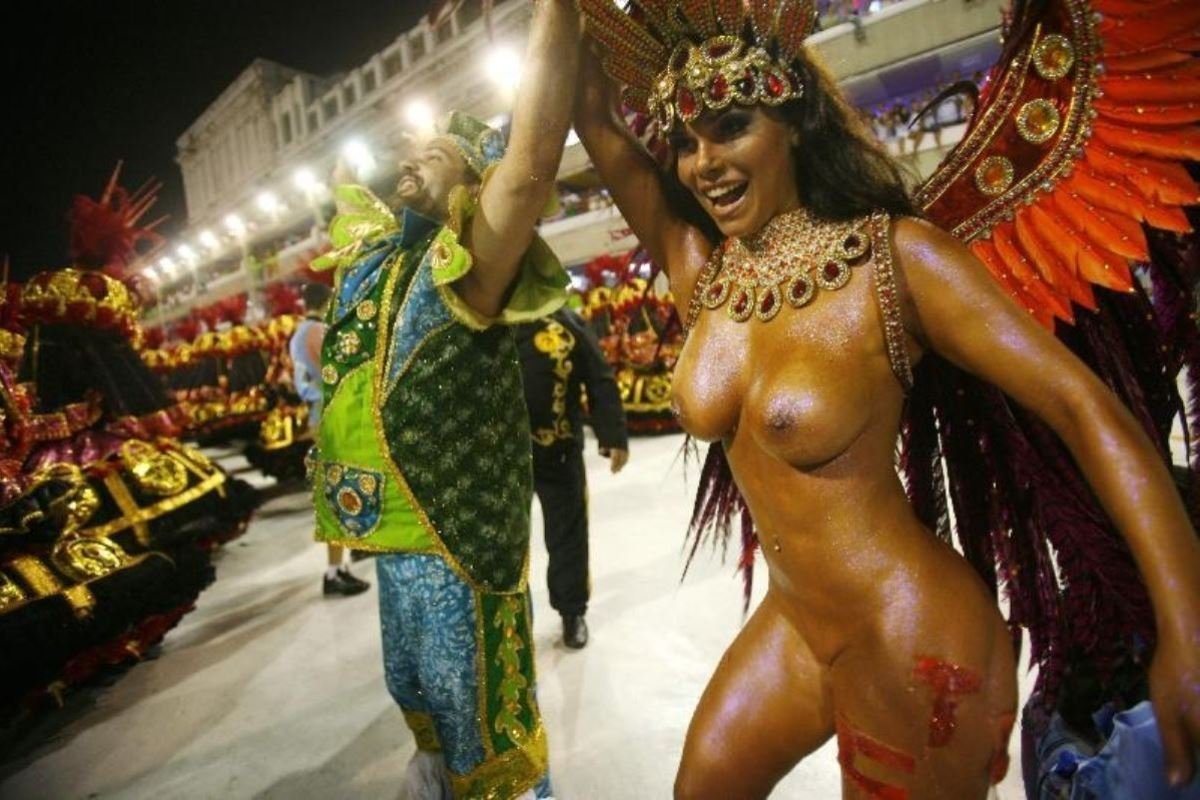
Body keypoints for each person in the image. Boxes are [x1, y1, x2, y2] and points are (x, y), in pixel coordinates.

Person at [574, 1, 1200, 798]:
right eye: (686, 142)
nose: (704, 164)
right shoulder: (702, 269)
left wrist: (1187, 625)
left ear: (794, 121)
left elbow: (1082, 406)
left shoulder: (895, 262)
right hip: (794, 627)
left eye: (731, 127)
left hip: (912, 639)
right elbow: (588, 109)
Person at [308, 1, 582, 796]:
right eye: (414, 149)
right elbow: (344, 211)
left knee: (479, 725)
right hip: (392, 532)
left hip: (456, 538)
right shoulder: (381, 263)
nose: (413, 156)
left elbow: (527, 168)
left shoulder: (465, 261)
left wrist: (555, 10)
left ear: (472, 188)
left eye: (436, 154)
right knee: (418, 696)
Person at [515, 306, 629, 649]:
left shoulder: (566, 322)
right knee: (506, 544)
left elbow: (599, 377)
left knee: (568, 536)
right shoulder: (489, 317)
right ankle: (510, 624)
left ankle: (572, 611)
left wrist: (613, 434)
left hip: (559, 451)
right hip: (505, 458)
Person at [291, 282, 369, 597]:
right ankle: (335, 571)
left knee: (334, 487)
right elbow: (341, 372)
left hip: (316, 416)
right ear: (328, 301)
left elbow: (301, 383)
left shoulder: (297, 335)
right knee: (341, 487)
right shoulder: (321, 332)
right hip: (333, 416)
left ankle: (342, 563)